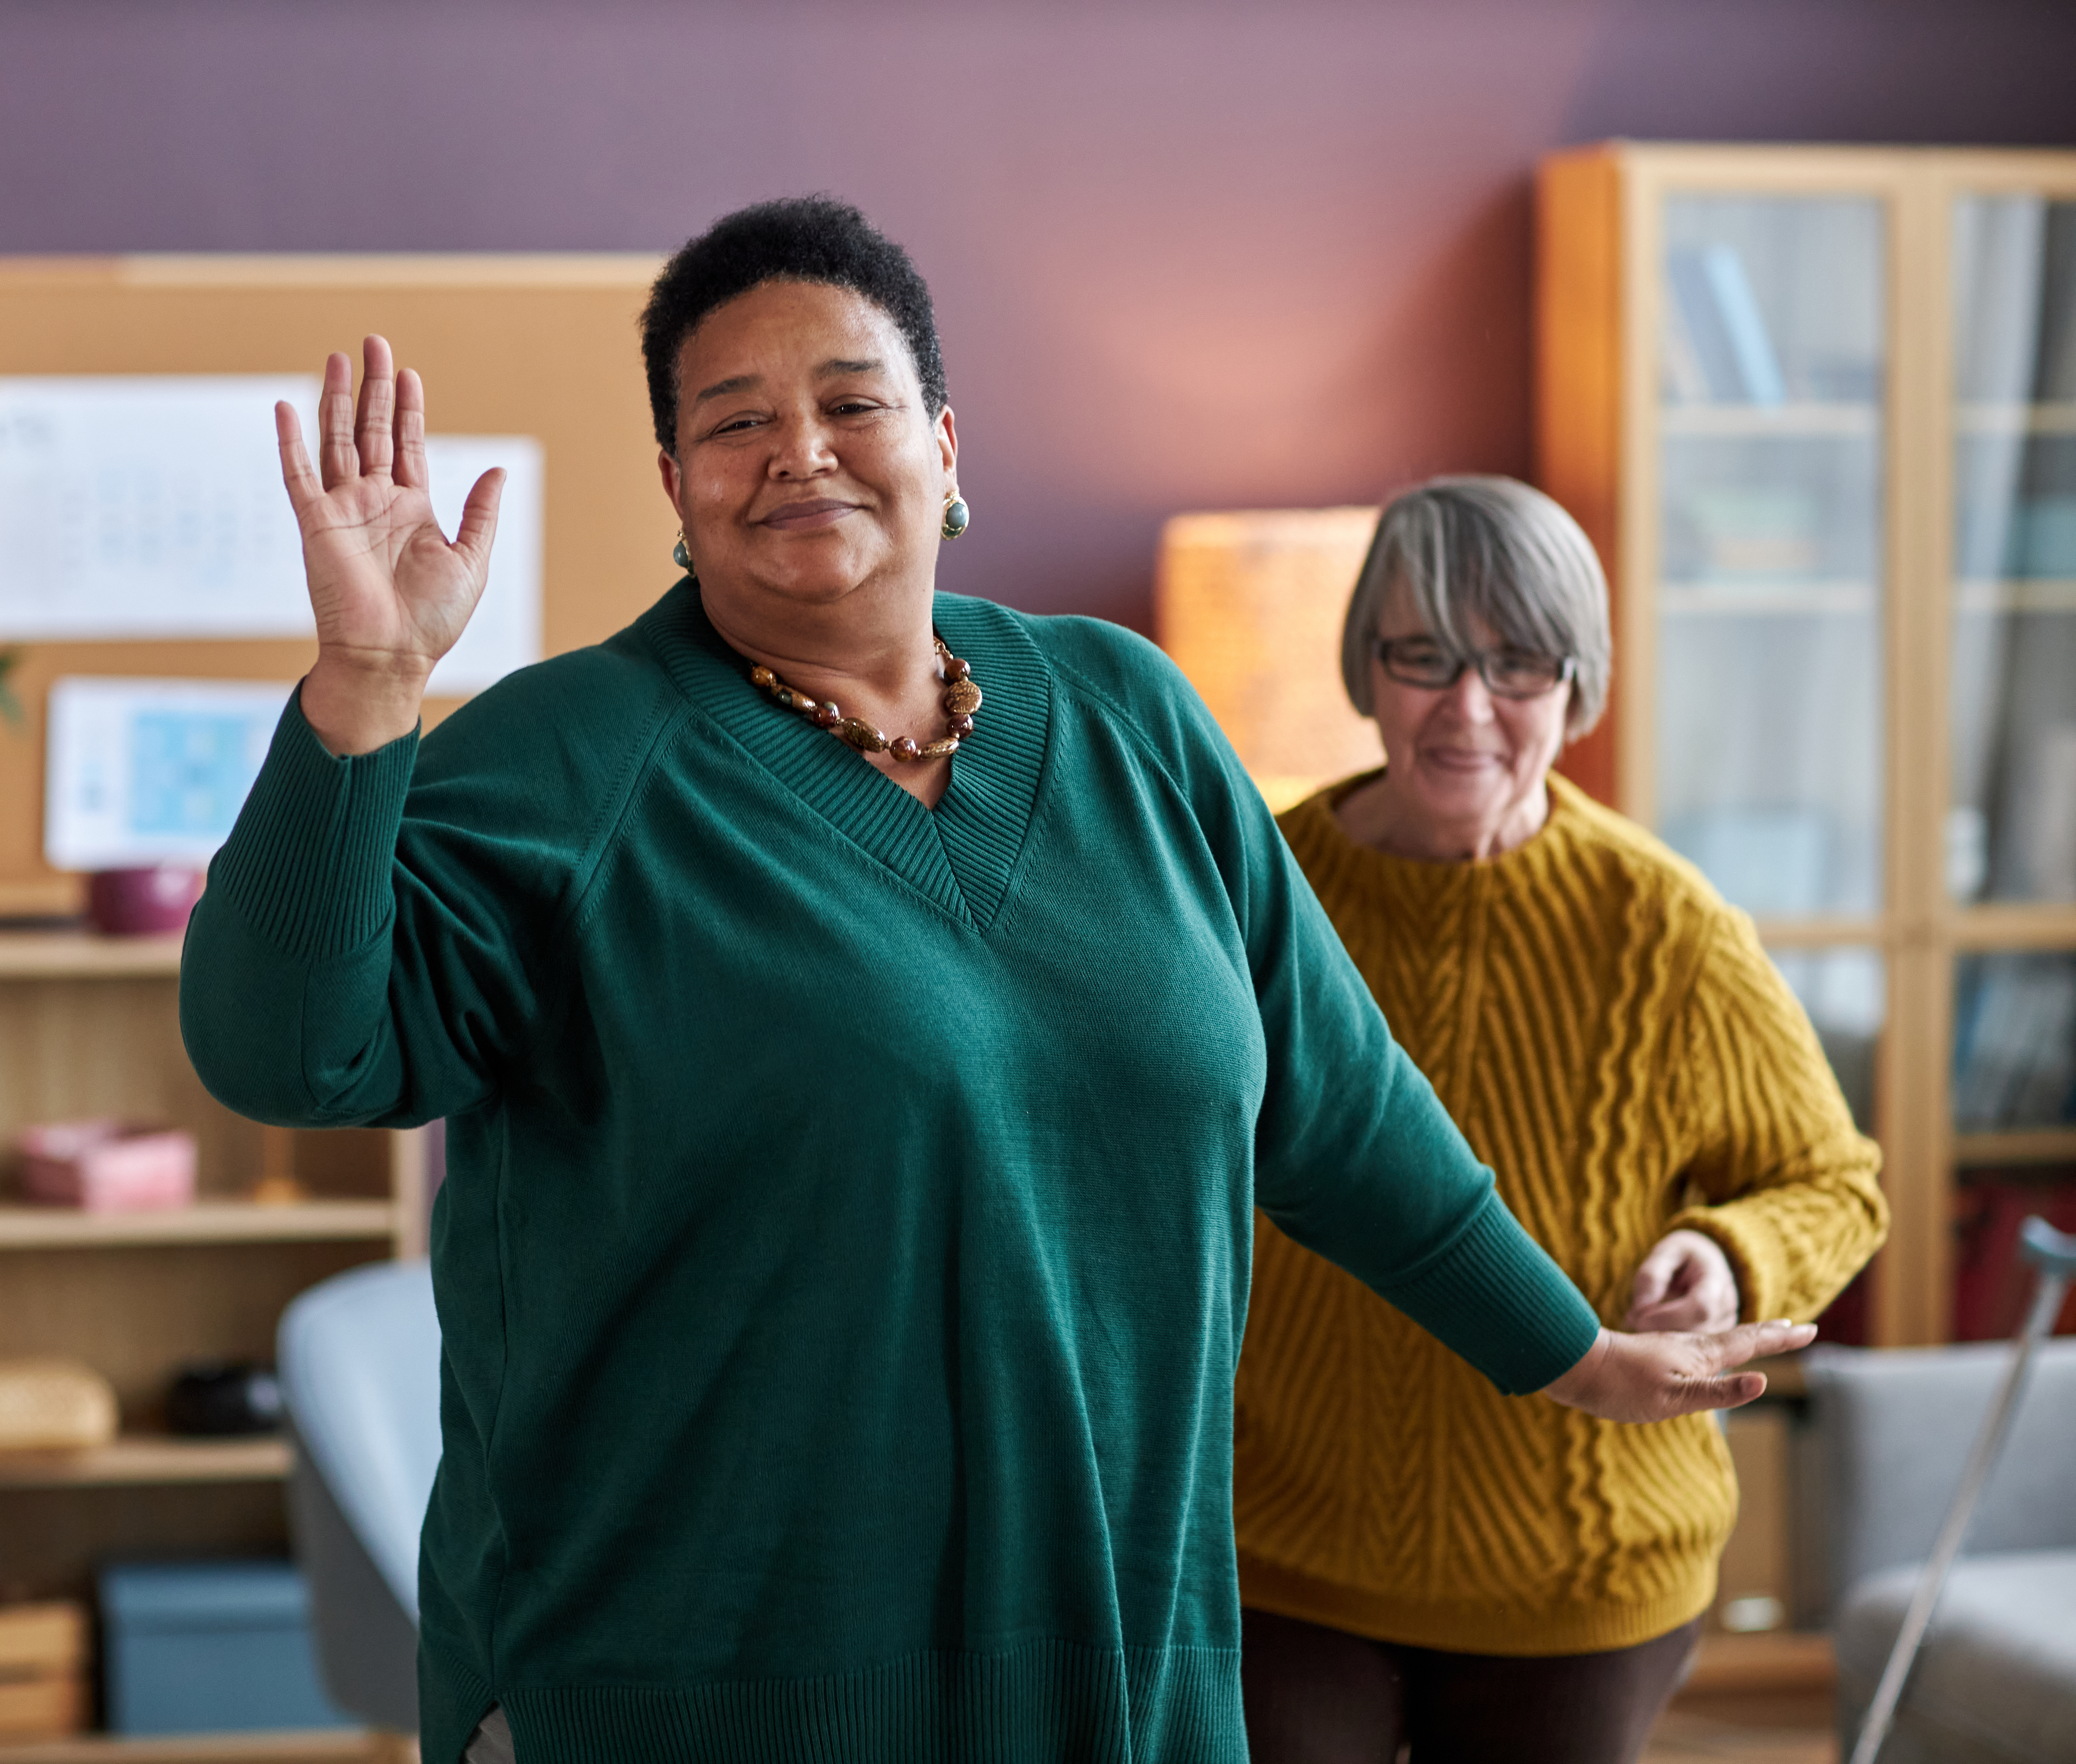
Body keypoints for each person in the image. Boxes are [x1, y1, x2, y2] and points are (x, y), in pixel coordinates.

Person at [179, 197, 1813, 1764]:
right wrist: (370, 687)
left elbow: (1337, 1100)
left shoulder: (1130, 717)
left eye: (850, 400)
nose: (800, 450)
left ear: (945, 445)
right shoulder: (566, 760)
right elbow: (288, 1056)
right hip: (698, 1686)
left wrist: (1565, 1353)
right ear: (675, 486)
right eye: (736, 420)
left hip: (1118, 1662)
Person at [1232, 476, 1886, 1764]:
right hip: (1285, 1546)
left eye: (1518, 665)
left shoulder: (1666, 927)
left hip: (1582, 1570)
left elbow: (1835, 1182)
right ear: (1367, 666)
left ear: (1576, 689)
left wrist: (1728, 1253)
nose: (1467, 708)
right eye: (1424, 655)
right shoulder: (1258, 893)